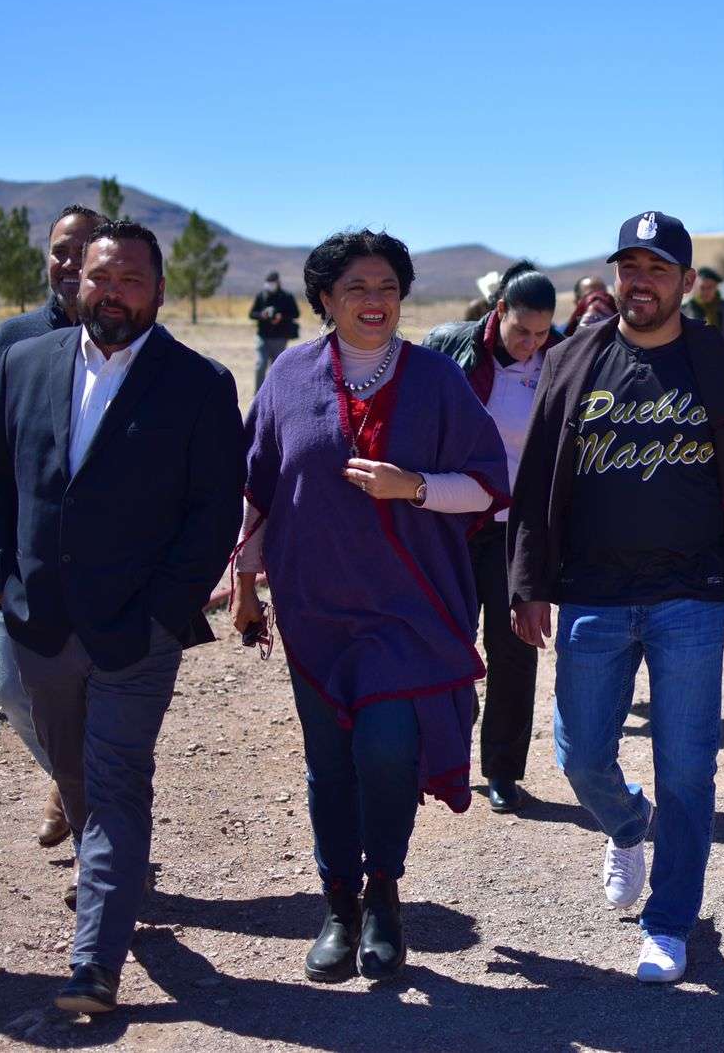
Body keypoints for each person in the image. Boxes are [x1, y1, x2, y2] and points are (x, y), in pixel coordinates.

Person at [0, 219, 245, 1014]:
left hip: (138, 633)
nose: (113, 293)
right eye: (100, 277)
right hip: (40, 625)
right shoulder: (24, 363)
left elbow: (212, 512)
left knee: (117, 780)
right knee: (78, 779)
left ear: (158, 290)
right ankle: (116, 887)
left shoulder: (198, 383)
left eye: (130, 280)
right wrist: (0, 585)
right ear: (75, 282)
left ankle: (94, 964)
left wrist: (165, 610)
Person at [508, 211, 724, 984]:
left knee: (687, 769)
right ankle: (628, 823)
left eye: (659, 269)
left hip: (690, 595)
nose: (642, 281)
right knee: (579, 755)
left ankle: (668, 922)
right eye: (630, 267)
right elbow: (536, 478)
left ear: (686, 282)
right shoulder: (574, 359)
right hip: (591, 593)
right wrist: (527, 582)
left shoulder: (721, 367)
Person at [231, 230, 507, 986]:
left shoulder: (437, 380)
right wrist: (247, 584)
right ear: (325, 298)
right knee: (330, 763)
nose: (374, 301)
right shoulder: (288, 376)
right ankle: (338, 909)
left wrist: (410, 486)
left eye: (387, 286)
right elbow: (260, 489)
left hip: (408, 609)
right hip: (316, 608)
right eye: (356, 287)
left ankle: (383, 893)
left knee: (385, 749)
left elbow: (486, 486)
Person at [0, 202, 104, 851]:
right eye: (60, 250)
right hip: (28, 560)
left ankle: (95, 832)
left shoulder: (133, 341)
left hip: (104, 565)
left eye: (84, 250)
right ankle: (67, 774)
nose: (70, 263)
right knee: (8, 684)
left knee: (98, 696)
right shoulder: (13, 340)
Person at [423, 262, 562, 815]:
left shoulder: (558, 359)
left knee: (515, 651)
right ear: (498, 310)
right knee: (446, 644)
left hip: (516, 530)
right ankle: (447, 752)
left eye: (542, 333)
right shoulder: (448, 347)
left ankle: (503, 770)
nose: (530, 344)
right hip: (454, 523)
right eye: (522, 330)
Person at [248, 270, 301, 392]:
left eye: (272, 282)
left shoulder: (287, 297)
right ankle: (258, 394)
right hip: (263, 337)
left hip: (280, 338)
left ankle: (275, 394)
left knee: (277, 368)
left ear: (278, 282)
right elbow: (251, 314)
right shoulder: (261, 296)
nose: (270, 285)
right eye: (268, 282)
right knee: (260, 364)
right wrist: (262, 315)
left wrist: (281, 317)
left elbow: (296, 313)